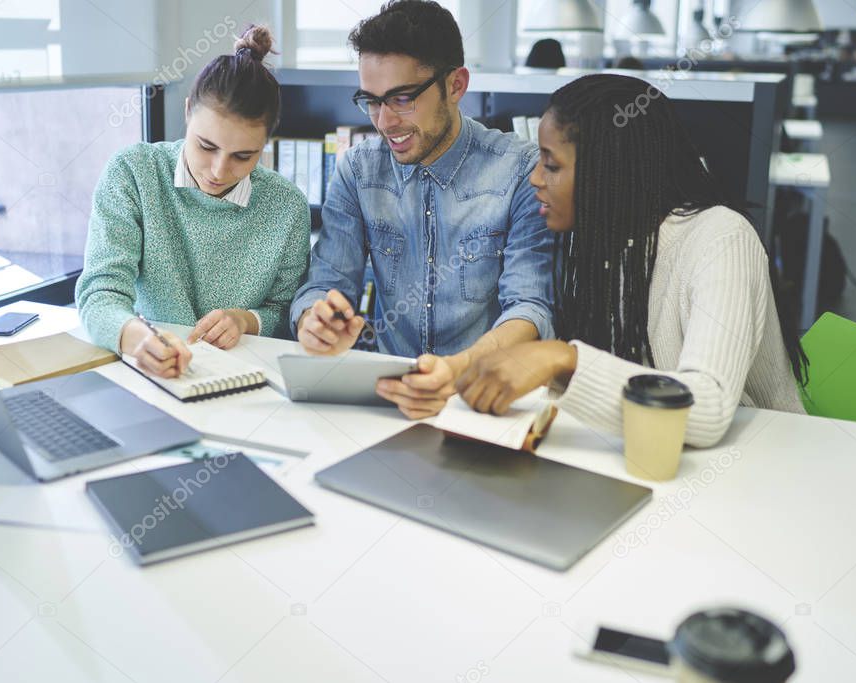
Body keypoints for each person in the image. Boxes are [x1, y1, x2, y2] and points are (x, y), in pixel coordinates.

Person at [456, 74, 808, 447]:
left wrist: (563, 359)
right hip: (659, 459)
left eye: (552, 165)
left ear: (607, 169)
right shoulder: (600, 244)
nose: (535, 180)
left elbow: (706, 411)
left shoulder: (721, 239)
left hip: (764, 463)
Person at [290, 0, 555, 419]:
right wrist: (315, 320)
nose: (384, 122)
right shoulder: (358, 171)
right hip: (384, 403)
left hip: (481, 401)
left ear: (456, 85)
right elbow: (325, 284)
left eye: (402, 99)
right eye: (371, 101)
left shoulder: (520, 171)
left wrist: (455, 370)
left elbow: (530, 310)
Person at [76, 26, 310, 378]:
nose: (218, 171)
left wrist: (246, 320)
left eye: (243, 156)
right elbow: (101, 291)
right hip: (150, 373)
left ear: (266, 143)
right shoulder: (133, 173)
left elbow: (287, 312)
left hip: (246, 380)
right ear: (188, 112)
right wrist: (136, 338)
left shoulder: (286, 205)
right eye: (206, 146)